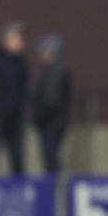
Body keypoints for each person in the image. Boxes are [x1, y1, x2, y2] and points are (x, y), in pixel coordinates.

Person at [32, 35, 71, 173]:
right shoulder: (52, 70)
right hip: (53, 121)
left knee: (51, 159)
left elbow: (51, 100)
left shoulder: (56, 71)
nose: (41, 54)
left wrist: (38, 117)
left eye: (43, 51)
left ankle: (54, 190)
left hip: (52, 122)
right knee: (51, 158)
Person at [0, 23, 28, 174]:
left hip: (15, 117)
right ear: (8, 39)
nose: (21, 44)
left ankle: (20, 191)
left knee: (17, 157)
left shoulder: (21, 63)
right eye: (18, 39)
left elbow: (22, 90)